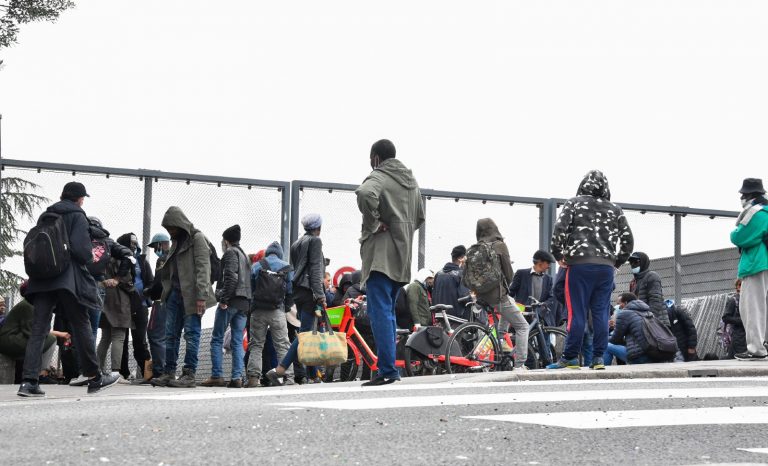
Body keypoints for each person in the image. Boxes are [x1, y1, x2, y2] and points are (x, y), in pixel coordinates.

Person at [18, 182, 119, 397]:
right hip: (66, 280)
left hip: (41, 280)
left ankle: (28, 382)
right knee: (81, 323)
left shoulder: (46, 215)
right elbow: (83, 252)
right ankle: (95, 377)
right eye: (83, 198)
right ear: (79, 198)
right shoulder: (77, 216)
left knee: (39, 328)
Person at [355, 139, 425, 386]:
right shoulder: (411, 182)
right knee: (389, 313)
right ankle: (390, 368)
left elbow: (365, 193)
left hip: (381, 257)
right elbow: (419, 216)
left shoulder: (381, 176)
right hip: (402, 257)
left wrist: (375, 224)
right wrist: (401, 231)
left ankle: (386, 370)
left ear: (376, 157)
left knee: (379, 313)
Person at [548, 170, 634, 370]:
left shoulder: (574, 203)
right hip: (605, 268)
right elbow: (628, 241)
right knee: (601, 313)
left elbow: (559, 231)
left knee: (577, 313)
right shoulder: (615, 209)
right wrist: (616, 262)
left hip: (579, 266)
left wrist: (558, 255)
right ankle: (597, 359)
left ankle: (570, 357)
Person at [150, 206, 216, 388]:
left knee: (192, 334)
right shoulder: (176, 241)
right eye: (168, 228)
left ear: (179, 223)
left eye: (172, 227)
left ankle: (189, 374)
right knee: (170, 335)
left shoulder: (197, 238)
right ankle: (168, 372)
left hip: (192, 296)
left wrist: (201, 296)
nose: (170, 231)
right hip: (174, 295)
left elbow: (203, 268)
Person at [266, 214, 325, 386]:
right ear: (318, 227)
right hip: (310, 292)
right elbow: (315, 269)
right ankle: (280, 369)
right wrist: (320, 294)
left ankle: (314, 375)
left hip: (299, 292)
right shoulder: (315, 241)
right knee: (306, 333)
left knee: (309, 332)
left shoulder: (296, 244)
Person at [466, 218, 529, 369]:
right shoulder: (499, 245)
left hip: (481, 296)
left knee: (510, 304)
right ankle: (520, 365)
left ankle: (500, 340)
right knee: (523, 326)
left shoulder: (476, 248)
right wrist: (505, 285)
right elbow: (509, 273)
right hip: (497, 296)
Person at [202, 225, 252, 388]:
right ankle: (237, 377)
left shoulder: (230, 252)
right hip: (244, 303)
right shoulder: (244, 255)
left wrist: (224, 299)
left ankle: (217, 375)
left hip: (230, 301)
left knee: (217, 338)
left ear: (226, 241)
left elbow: (231, 276)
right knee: (237, 341)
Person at [246, 241, 294, 388]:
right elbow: (290, 291)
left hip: (258, 311)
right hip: (277, 311)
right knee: (282, 345)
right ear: (280, 254)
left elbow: (251, 288)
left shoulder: (256, 266)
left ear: (267, 253)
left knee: (256, 344)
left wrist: (253, 305)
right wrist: (285, 307)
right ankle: (289, 377)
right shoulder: (286, 267)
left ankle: (253, 378)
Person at [730, 178, 768, 360]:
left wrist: (736, 232)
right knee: (764, 307)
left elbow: (738, 237)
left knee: (752, 308)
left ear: (750, 195)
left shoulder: (755, 212)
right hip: (765, 263)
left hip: (756, 264)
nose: (741, 198)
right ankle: (764, 344)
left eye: (743, 195)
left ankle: (756, 350)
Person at [0, 283, 67, 384]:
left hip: (13, 338)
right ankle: (41, 374)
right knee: (51, 339)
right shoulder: (28, 305)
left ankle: (38, 373)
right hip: (9, 340)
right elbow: (31, 332)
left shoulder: (31, 304)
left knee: (46, 339)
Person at [116, 232, 154, 383]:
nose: (134, 245)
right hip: (123, 306)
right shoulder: (118, 261)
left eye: (135, 242)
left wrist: (145, 292)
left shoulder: (142, 261)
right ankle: (123, 373)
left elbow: (150, 281)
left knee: (140, 341)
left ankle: (149, 374)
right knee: (122, 340)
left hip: (141, 305)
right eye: (131, 242)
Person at [144, 232, 171, 382]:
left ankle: (159, 371)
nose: (155, 250)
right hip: (173, 302)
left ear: (161, 244)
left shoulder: (163, 259)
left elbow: (159, 283)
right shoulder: (176, 257)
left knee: (155, 334)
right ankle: (167, 370)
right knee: (166, 336)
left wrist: (148, 291)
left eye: (156, 246)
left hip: (161, 300)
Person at [605, 294, 660, 365]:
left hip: (638, 357)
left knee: (605, 345)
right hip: (654, 354)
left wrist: (603, 339)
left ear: (626, 303)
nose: (619, 306)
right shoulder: (649, 313)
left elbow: (615, 339)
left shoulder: (624, 313)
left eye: (619, 303)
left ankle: (605, 370)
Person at [628, 251, 670, 327]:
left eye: (636, 262)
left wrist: (649, 320)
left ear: (643, 262)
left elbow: (656, 300)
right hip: (642, 321)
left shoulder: (651, 276)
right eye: (631, 262)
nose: (633, 265)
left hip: (656, 322)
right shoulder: (633, 282)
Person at [432, 245, 471, 319]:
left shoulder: (438, 274)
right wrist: (472, 297)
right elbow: (464, 297)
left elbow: (433, 295)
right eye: (466, 257)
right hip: (457, 318)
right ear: (460, 258)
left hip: (440, 316)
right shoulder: (461, 274)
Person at [722, 279, 747, 359]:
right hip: (738, 337)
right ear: (737, 287)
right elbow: (725, 317)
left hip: (749, 335)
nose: (742, 286)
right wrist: (742, 321)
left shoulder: (750, 300)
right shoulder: (733, 300)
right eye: (740, 284)